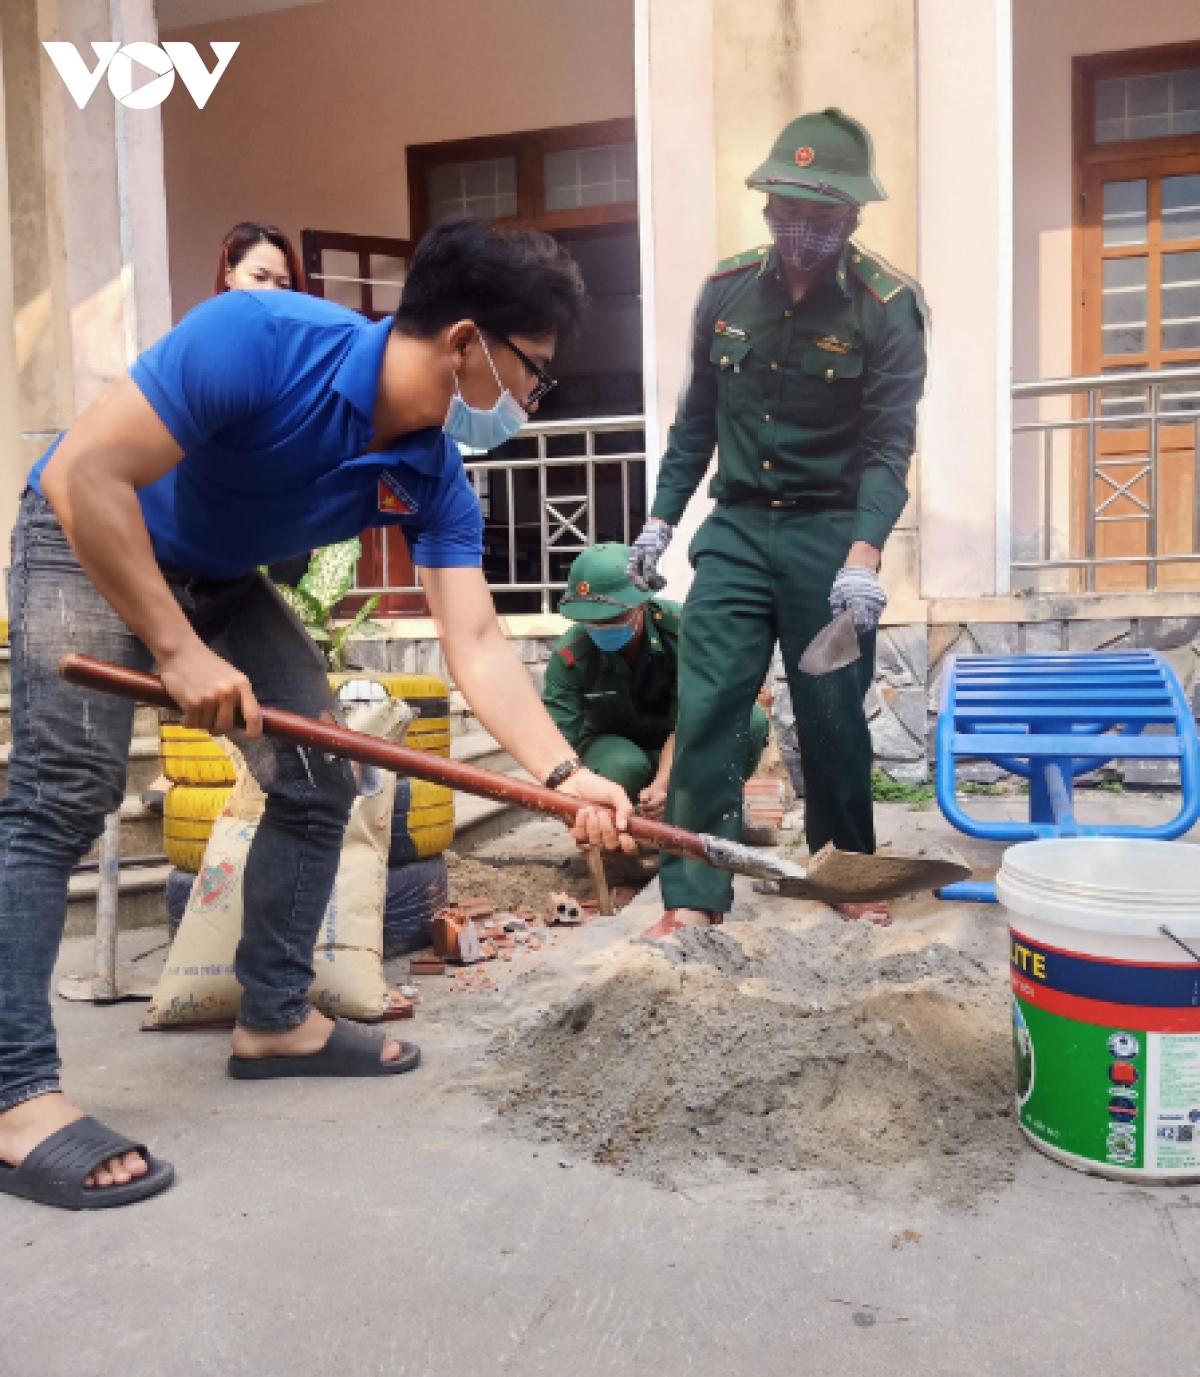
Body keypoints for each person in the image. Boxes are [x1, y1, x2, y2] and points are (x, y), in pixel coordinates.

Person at [0, 217, 635, 1211]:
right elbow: (87, 475)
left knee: (318, 781)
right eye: (532, 374)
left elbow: (473, 641)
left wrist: (562, 776)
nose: (529, 400)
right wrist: (175, 649)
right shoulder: (256, 339)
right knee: (60, 797)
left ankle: (273, 1019)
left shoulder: (433, 474)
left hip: (212, 574)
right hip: (86, 534)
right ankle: (15, 1097)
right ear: (466, 342)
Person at [625, 109, 927, 939]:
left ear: (853, 217)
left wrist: (864, 556)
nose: (799, 235)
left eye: (820, 219)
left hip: (828, 536)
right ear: (765, 208)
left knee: (830, 712)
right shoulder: (726, 293)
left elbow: (887, 444)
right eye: (784, 213)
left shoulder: (886, 307)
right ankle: (693, 893)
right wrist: (658, 522)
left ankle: (844, 875)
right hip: (735, 532)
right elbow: (694, 424)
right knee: (711, 705)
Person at [144, 222, 310, 818]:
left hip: (233, 566)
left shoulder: (299, 371)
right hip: (159, 550)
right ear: (228, 276)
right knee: (69, 785)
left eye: (283, 283)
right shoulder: (204, 351)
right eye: (258, 277)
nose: (269, 292)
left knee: (311, 770)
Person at [543, 543, 769, 822]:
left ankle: (708, 813)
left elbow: (692, 718)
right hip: (614, 751)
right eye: (590, 620)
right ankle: (625, 828)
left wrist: (663, 785)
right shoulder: (570, 656)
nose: (602, 626)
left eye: (614, 616)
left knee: (749, 721)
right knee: (623, 764)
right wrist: (575, 804)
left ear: (643, 603)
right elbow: (559, 741)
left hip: (682, 743)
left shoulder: (683, 634)